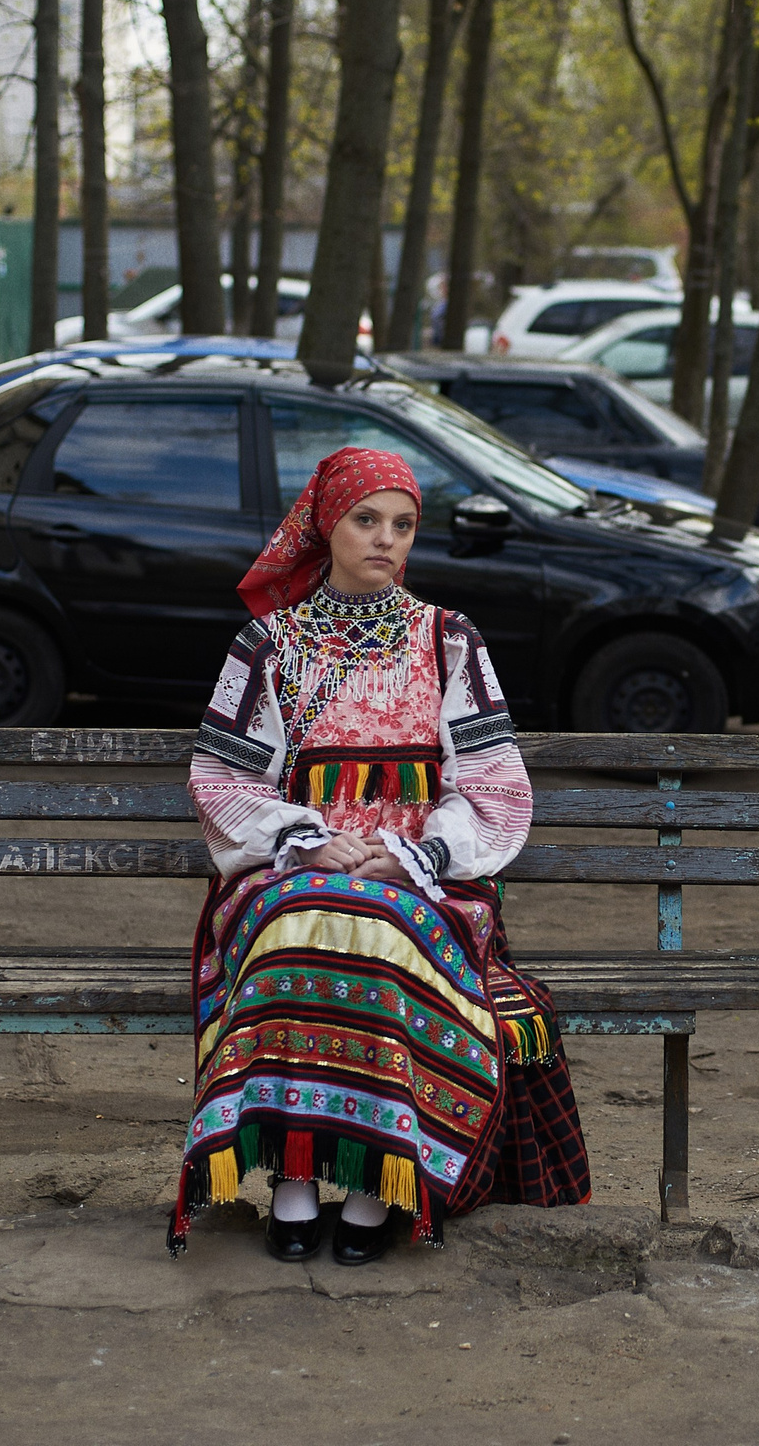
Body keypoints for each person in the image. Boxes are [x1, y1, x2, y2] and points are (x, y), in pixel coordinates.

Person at [170, 446, 589, 1264]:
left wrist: (419, 856)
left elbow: (497, 784)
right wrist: (308, 841)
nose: (385, 539)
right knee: (297, 931)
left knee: (386, 934)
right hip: (295, 871)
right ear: (329, 525)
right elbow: (221, 779)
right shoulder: (268, 644)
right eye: (367, 520)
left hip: (419, 874)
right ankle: (293, 1181)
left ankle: (374, 1185)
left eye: (402, 525)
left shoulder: (449, 640)